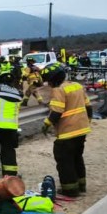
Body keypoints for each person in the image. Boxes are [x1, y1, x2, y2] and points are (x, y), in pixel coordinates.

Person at [40, 63, 92, 197]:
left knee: (64, 161)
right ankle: (82, 185)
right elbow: (89, 107)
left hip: (67, 132)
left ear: (53, 78)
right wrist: (87, 122)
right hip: (82, 130)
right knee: (77, 158)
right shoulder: (77, 86)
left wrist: (46, 124)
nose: (49, 84)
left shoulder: (59, 90)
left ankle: (70, 190)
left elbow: (57, 112)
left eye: (49, 80)